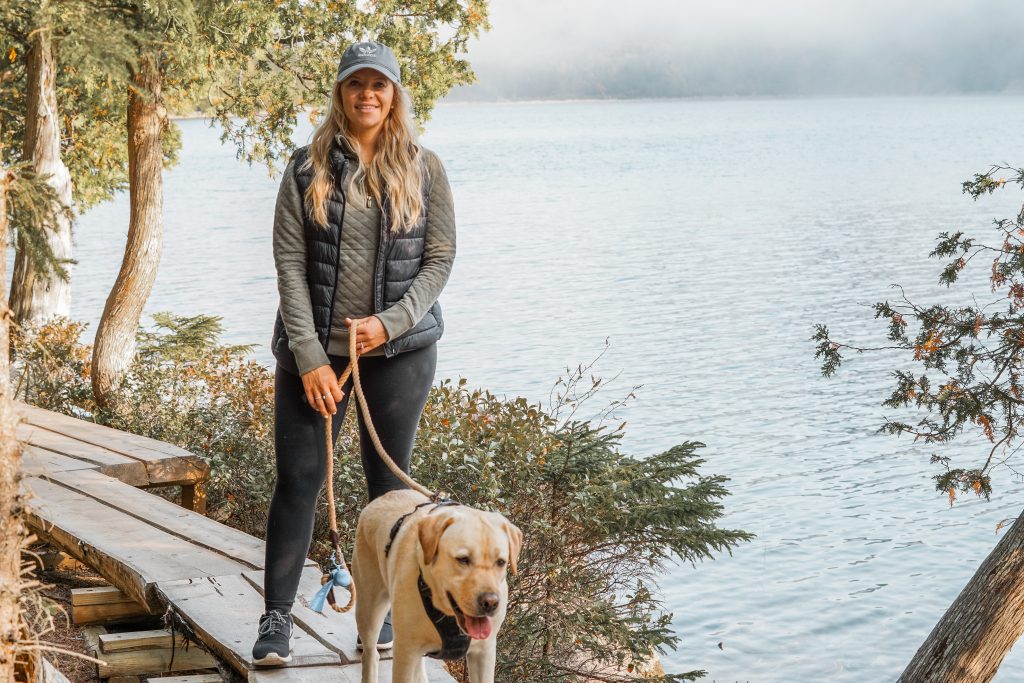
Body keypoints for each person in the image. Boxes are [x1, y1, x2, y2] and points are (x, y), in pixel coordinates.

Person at [251, 40, 457, 666]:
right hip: (313, 357)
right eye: (355, 84)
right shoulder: (304, 167)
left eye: (380, 85)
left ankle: (393, 616)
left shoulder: (425, 167)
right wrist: (311, 358)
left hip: (399, 355)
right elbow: (289, 264)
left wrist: (389, 324)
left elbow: (439, 259)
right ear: (340, 93)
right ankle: (277, 619)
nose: (368, 94)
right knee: (299, 482)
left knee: (390, 489)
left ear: (395, 95)